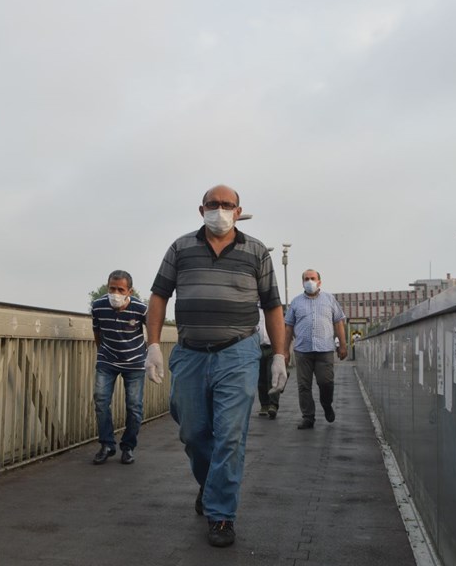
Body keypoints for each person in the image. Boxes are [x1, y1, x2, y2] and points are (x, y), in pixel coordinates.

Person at [144, 185, 287, 548]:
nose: (219, 210)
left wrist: (281, 355)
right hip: (190, 353)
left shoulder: (255, 251)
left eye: (227, 205)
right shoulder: (181, 248)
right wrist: (154, 346)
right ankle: (210, 486)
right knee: (192, 432)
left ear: (238, 211)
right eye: (213, 204)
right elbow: (159, 295)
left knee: (230, 436)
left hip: (238, 352)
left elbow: (272, 306)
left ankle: (221, 514)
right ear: (200, 209)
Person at [90, 270, 148, 465]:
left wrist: (152, 354)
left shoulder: (141, 309)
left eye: (120, 289)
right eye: (112, 288)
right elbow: (97, 331)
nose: (115, 293)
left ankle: (128, 447)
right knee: (100, 400)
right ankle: (107, 444)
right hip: (107, 359)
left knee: (134, 406)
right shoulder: (98, 306)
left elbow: (153, 329)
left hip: (135, 362)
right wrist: (102, 352)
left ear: (129, 291)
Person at [285, 269, 347, 430]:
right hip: (302, 351)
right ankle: (308, 417)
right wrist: (285, 351)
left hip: (325, 350)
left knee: (325, 383)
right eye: (306, 279)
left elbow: (339, 322)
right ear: (302, 282)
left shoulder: (329, 299)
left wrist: (343, 345)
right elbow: (288, 327)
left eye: (313, 278)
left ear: (319, 281)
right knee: (304, 386)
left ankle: (327, 405)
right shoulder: (296, 302)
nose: (309, 281)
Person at [255, 308, 284, 419]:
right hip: (258, 347)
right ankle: (264, 405)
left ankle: (273, 405)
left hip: (273, 348)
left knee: (272, 376)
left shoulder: (273, 309)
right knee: (261, 378)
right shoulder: (254, 309)